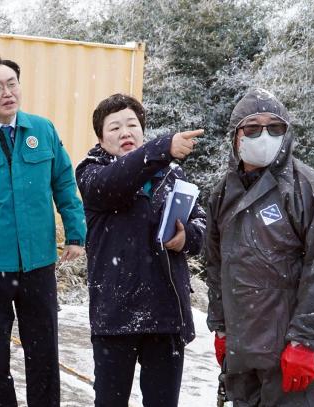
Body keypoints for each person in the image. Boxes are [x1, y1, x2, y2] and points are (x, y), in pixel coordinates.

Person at [0, 54, 86, 407]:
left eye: (12, 84)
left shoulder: (43, 130)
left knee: (44, 354)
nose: (7, 93)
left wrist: (75, 233)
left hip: (37, 264)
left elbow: (64, 183)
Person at [205, 88, 314, 406]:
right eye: (253, 128)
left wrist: (304, 341)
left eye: (275, 127)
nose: (264, 136)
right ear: (235, 136)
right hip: (243, 354)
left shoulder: (311, 190)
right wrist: (220, 328)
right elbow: (216, 268)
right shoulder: (221, 195)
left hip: (293, 354)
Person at [75, 94, 205, 407]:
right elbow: (115, 184)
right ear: (100, 138)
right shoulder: (91, 173)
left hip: (166, 313)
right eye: (115, 127)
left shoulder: (173, 174)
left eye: (132, 124)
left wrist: (187, 236)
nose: (125, 133)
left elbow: (200, 224)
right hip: (115, 315)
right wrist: (161, 149)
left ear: (142, 130)